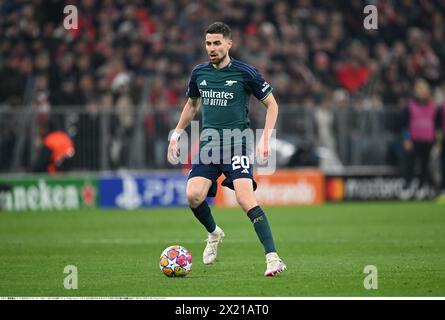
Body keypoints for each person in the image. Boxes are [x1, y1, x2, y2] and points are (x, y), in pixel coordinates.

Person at [167, 22, 286, 276]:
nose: (212, 48)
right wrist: (176, 134)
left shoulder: (246, 73)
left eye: (217, 43)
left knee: (245, 199)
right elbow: (191, 105)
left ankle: (273, 258)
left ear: (229, 44)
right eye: (208, 43)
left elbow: (273, 106)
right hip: (209, 145)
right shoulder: (199, 73)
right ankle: (214, 233)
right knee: (193, 196)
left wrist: (266, 138)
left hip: (237, 144)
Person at [402, 79, 439, 195]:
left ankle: (422, 187)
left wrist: (438, 142)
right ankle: (407, 187)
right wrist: (407, 138)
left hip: (428, 140)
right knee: (410, 163)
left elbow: (438, 126)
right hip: (414, 140)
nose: (421, 91)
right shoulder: (410, 105)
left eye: (423, 88)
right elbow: (405, 124)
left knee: (425, 165)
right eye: (418, 89)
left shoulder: (433, 106)